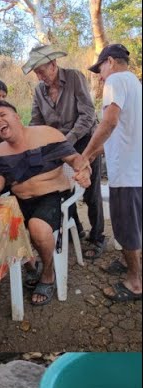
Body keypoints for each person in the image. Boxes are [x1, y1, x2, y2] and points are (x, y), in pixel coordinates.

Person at [0, 100, 91, 306]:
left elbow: (76, 160)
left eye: (2, 115)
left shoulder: (48, 134)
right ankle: (29, 263)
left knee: (37, 227)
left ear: (17, 116)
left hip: (53, 197)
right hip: (20, 201)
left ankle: (48, 273)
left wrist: (84, 171)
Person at [26, 44, 106, 260]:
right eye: (36, 74)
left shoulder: (74, 78)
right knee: (62, 190)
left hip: (83, 142)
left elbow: (87, 114)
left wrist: (66, 140)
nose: (40, 77)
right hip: (57, 147)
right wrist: (35, 140)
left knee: (90, 190)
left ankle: (98, 237)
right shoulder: (39, 91)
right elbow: (36, 121)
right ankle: (76, 230)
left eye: (42, 71)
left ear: (53, 65)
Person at [81, 43, 142, 302]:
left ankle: (135, 282)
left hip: (127, 173)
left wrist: (86, 156)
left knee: (127, 228)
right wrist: (98, 151)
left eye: (100, 69)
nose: (100, 75)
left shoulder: (115, 80)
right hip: (135, 169)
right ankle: (133, 266)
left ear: (111, 62)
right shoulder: (135, 84)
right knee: (135, 226)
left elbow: (110, 121)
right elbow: (123, 131)